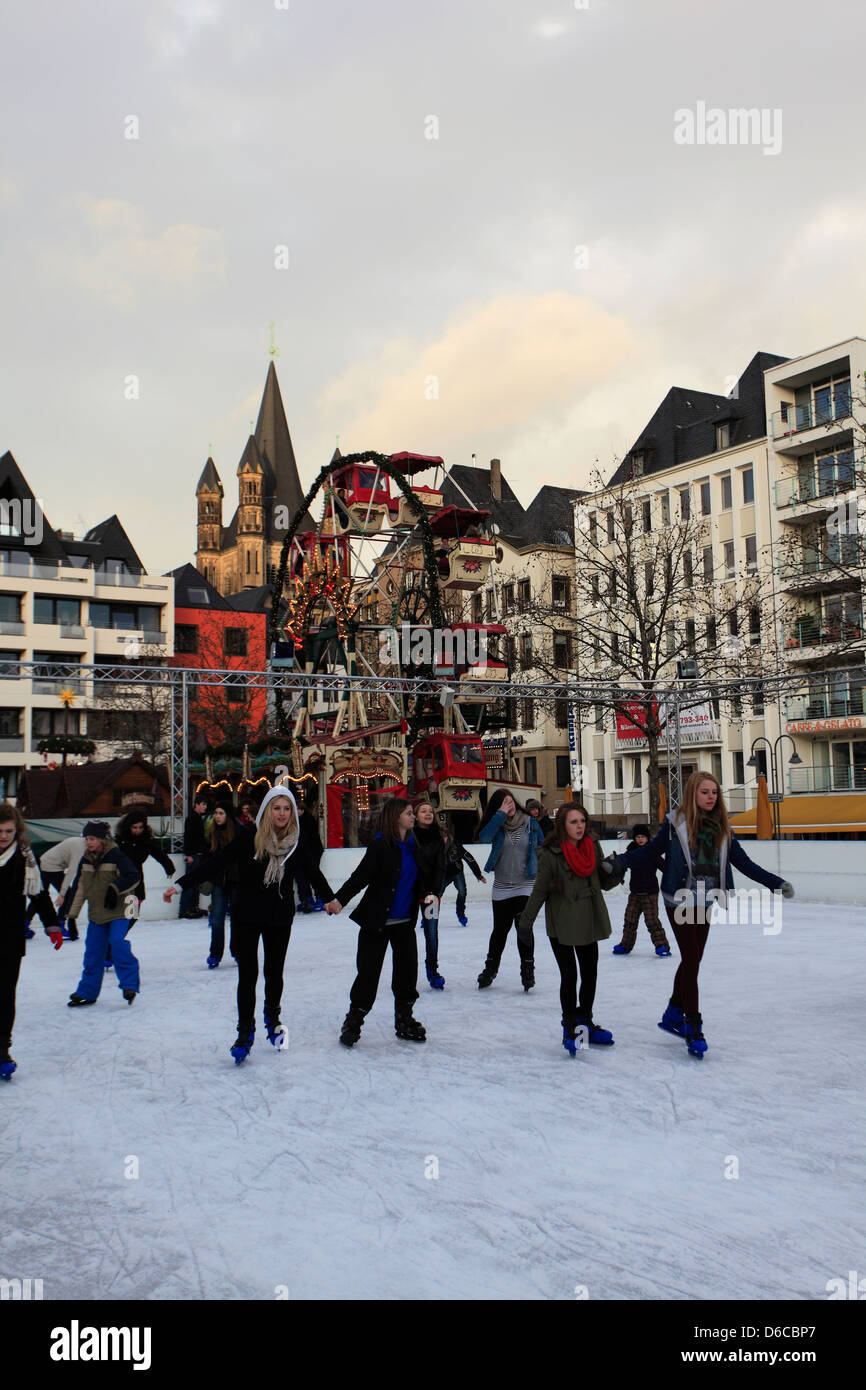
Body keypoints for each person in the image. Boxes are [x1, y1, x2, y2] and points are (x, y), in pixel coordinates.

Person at [603, 771, 794, 1059]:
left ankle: (672, 1013)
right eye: (705, 792)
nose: (711, 797)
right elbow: (649, 852)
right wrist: (619, 862)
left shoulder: (722, 828)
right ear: (693, 794)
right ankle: (693, 1026)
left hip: (706, 900)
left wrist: (775, 883)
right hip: (678, 899)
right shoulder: (675, 825)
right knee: (691, 959)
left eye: (714, 792)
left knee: (694, 960)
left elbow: (744, 863)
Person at [165, 786, 335, 1062]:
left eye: (287, 808)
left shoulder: (297, 841)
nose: (282, 813)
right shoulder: (249, 836)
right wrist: (181, 885)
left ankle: (272, 1019)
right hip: (247, 914)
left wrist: (329, 898)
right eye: (276, 808)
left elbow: (312, 872)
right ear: (268, 810)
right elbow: (217, 862)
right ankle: (245, 1031)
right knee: (248, 975)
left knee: (274, 972)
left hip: (279, 915)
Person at [327, 798, 438, 1047]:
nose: (413, 817)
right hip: (376, 921)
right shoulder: (380, 846)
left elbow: (426, 873)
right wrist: (339, 901)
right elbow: (360, 878)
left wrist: (430, 892)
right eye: (409, 813)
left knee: (407, 973)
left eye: (413, 813)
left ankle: (404, 1019)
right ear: (396, 817)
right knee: (368, 974)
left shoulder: (415, 844)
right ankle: (354, 1020)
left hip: (404, 921)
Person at [517, 803, 621, 1054]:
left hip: (588, 918)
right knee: (570, 975)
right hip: (562, 921)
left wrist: (615, 872)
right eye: (573, 822)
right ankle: (570, 1027)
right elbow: (540, 890)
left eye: (582, 821)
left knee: (590, 973)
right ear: (562, 825)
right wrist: (526, 922)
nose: (579, 827)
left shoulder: (592, 846)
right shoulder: (550, 853)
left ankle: (584, 1025)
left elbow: (602, 882)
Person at [0, 804, 63, 1078]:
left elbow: (38, 894)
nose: (3, 836)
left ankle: (2, 1050)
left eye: (9, 831)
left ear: (17, 830)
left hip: (9, 938)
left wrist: (52, 924)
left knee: (4, 997)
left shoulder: (24, 857)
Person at [66, 821, 142, 1008]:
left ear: (102, 839)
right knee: (93, 951)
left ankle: (129, 985)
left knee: (117, 943)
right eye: (86, 839)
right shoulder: (85, 860)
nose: (88, 842)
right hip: (97, 913)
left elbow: (134, 877)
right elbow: (80, 888)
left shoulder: (116, 856)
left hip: (123, 909)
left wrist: (115, 888)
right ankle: (87, 992)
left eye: (92, 839)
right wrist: (70, 915)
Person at [476, 789, 545, 991]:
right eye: (505, 803)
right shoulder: (497, 826)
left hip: (525, 885)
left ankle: (527, 970)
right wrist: (500, 815)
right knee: (500, 930)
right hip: (502, 886)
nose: (510, 805)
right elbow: (484, 837)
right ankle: (490, 969)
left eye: (511, 801)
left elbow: (542, 846)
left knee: (523, 928)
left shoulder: (530, 823)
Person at [611, 823, 671, 957]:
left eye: (643, 836)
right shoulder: (631, 852)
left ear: (648, 838)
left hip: (650, 893)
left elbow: (665, 867)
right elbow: (622, 864)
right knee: (629, 920)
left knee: (652, 921)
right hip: (635, 892)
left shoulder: (652, 853)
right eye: (637, 836)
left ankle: (662, 946)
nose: (640, 839)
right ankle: (625, 945)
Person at [410, 798, 447, 988]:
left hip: (431, 894)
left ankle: (432, 970)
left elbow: (441, 866)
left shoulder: (438, 839)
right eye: (423, 811)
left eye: (430, 811)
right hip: (410, 891)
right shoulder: (409, 837)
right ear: (415, 817)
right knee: (406, 933)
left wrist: (436, 890)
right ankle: (407, 972)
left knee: (431, 932)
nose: (428, 814)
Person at [115, 810, 175, 916]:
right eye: (134, 827)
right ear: (128, 826)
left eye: (140, 827)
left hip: (137, 881)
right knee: (121, 917)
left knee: (132, 916)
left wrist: (169, 867)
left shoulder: (146, 841)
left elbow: (159, 854)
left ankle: (121, 931)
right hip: (120, 880)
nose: (138, 830)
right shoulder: (120, 840)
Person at [203, 803, 240, 968]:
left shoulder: (239, 833)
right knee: (217, 919)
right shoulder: (212, 833)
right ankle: (215, 954)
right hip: (219, 882)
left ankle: (238, 951)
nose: (217, 816)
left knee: (237, 919)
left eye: (221, 813)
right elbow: (208, 857)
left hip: (236, 881)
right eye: (215, 813)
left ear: (228, 816)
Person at [30, 834, 85, 940]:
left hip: (44, 862)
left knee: (39, 896)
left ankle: (26, 922)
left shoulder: (80, 841)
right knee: (68, 896)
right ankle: (60, 923)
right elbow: (72, 871)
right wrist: (62, 893)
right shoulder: (81, 848)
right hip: (51, 866)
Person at [440, 818, 485, 926]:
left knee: (462, 892)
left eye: (446, 834)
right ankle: (429, 917)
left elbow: (469, 858)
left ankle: (460, 914)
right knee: (436, 895)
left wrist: (478, 874)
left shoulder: (455, 844)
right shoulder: (434, 845)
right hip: (442, 874)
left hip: (457, 872)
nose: (444, 837)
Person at [178, 794, 210, 919]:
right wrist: (189, 854)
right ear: (196, 805)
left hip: (198, 854)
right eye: (203, 804)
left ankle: (192, 907)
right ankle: (185, 909)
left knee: (195, 882)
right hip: (194, 855)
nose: (205, 807)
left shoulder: (196, 818)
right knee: (191, 882)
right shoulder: (192, 819)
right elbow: (188, 837)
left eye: (205, 805)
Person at [295, 791, 324, 913]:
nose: (296, 811)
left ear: (302, 809)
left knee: (312, 875)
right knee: (302, 878)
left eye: (298, 809)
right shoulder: (296, 820)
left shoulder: (307, 820)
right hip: (302, 854)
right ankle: (307, 900)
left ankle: (318, 898)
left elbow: (310, 840)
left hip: (312, 852)